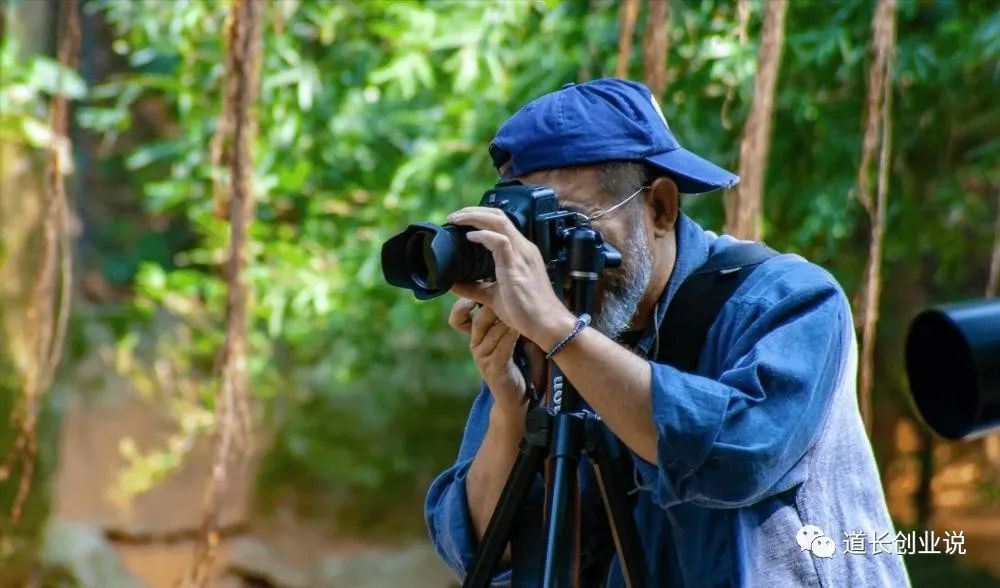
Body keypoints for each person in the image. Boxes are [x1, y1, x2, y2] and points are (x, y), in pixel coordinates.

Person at [425, 78, 910, 587]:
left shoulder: (789, 300)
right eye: (536, 232)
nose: (555, 256)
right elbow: (482, 550)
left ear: (660, 207)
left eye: (572, 223)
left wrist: (561, 333)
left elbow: (736, 459)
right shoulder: (550, 334)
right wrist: (511, 408)